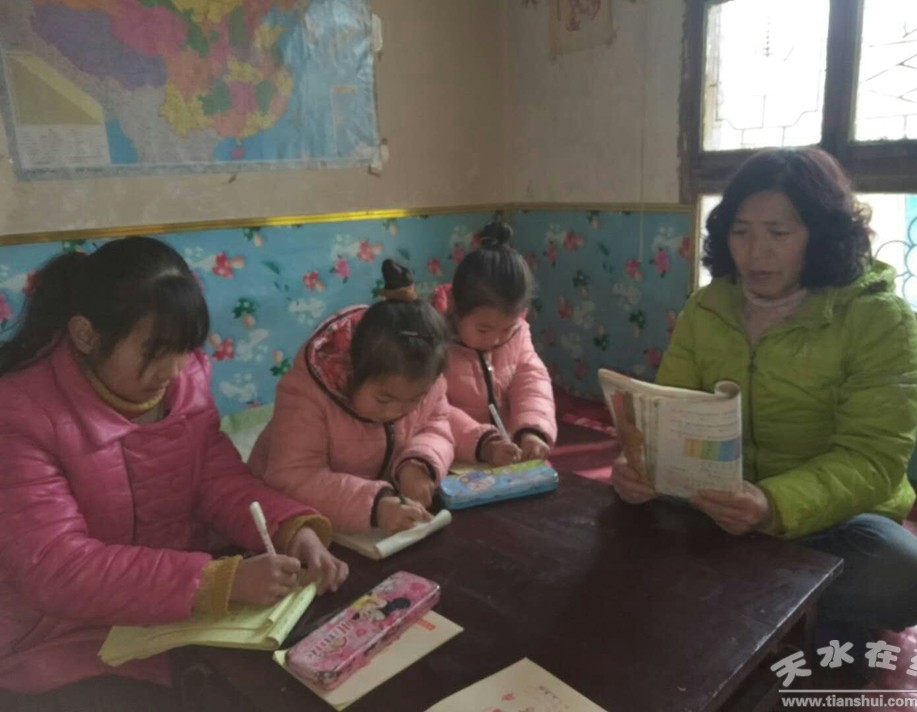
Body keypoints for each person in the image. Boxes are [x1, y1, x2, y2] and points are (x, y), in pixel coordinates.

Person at [0, 236, 349, 709]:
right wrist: (215, 582)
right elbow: (58, 569)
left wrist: (292, 528)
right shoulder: (20, 414)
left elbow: (217, 479)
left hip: (173, 615)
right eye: (156, 351)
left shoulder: (184, 381)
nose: (174, 369)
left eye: (185, 348)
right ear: (85, 335)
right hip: (57, 638)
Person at [611, 148, 917, 653]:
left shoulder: (878, 318)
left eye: (779, 233)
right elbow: (670, 413)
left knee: (902, 575)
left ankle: (745, 587)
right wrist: (639, 466)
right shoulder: (707, 308)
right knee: (613, 517)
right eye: (740, 231)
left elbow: (872, 458)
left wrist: (771, 505)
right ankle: (787, 596)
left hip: (829, 520)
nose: (755, 252)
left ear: (820, 235)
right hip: (716, 503)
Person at [250, 260, 454, 534]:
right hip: (285, 524)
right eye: (384, 400)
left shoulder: (424, 370)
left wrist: (418, 463)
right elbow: (292, 476)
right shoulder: (306, 393)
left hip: (368, 520)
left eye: (415, 400)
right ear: (351, 372)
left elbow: (437, 422)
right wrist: (375, 505)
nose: (398, 411)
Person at [435, 222, 557, 467]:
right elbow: (433, 409)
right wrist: (484, 443)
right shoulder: (434, 342)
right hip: (448, 454)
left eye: (506, 329)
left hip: (506, 451)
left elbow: (532, 382)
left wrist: (531, 430)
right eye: (483, 329)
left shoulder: (518, 335)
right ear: (456, 307)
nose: (495, 340)